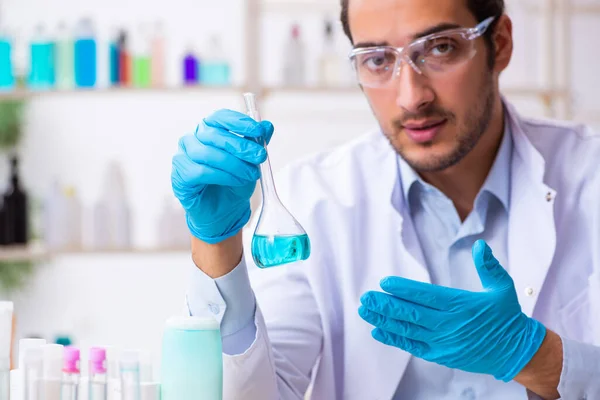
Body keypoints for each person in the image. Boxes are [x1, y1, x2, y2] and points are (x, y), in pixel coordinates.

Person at [171, 0, 600, 398]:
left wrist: (541, 359)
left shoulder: (590, 176)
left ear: (500, 44)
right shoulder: (316, 197)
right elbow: (259, 391)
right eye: (377, 60)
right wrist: (216, 247)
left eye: (441, 48)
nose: (412, 96)